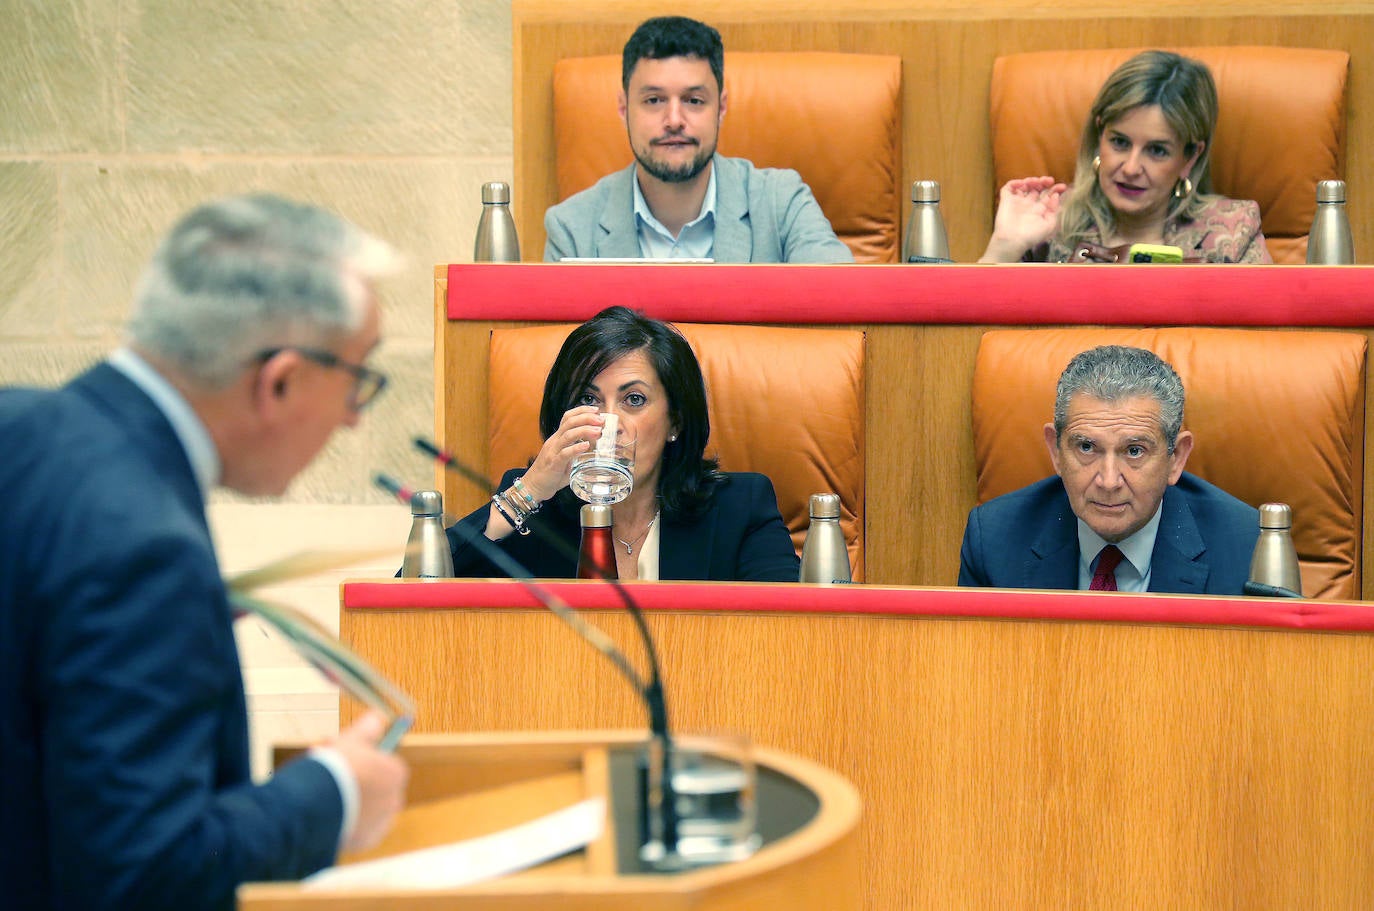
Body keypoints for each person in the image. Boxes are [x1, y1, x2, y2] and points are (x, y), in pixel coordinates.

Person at [0, 194, 410, 910]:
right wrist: (334, 795)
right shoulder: (146, 550)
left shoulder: (18, 423)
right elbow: (144, 877)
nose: (351, 418)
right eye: (358, 379)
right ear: (279, 380)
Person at [448, 306, 800, 582]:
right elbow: (416, 597)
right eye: (588, 399)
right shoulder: (534, 508)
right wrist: (529, 491)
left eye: (634, 399)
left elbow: (793, 634)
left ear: (675, 421)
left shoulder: (740, 507)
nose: (607, 424)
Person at [543, 15, 853, 264]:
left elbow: (844, 313)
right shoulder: (571, 229)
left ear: (722, 107)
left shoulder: (781, 204)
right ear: (624, 108)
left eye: (694, 100)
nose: (674, 120)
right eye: (653, 100)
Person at [958, 345, 1259, 594]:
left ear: (1176, 458)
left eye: (1134, 451)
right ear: (1056, 451)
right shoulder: (996, 540)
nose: (1109, 481)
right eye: (1087, 448)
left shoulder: (1246, 547)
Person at [979, 50, 1272, 264]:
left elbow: (1263, 343)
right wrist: (1005, 246)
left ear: (1189, 158)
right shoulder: (1047, 223)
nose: (1131, 168)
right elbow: (976, 332)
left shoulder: (1232, 232)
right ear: (1099, 138)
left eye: (1157, 150)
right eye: (1119, 142)